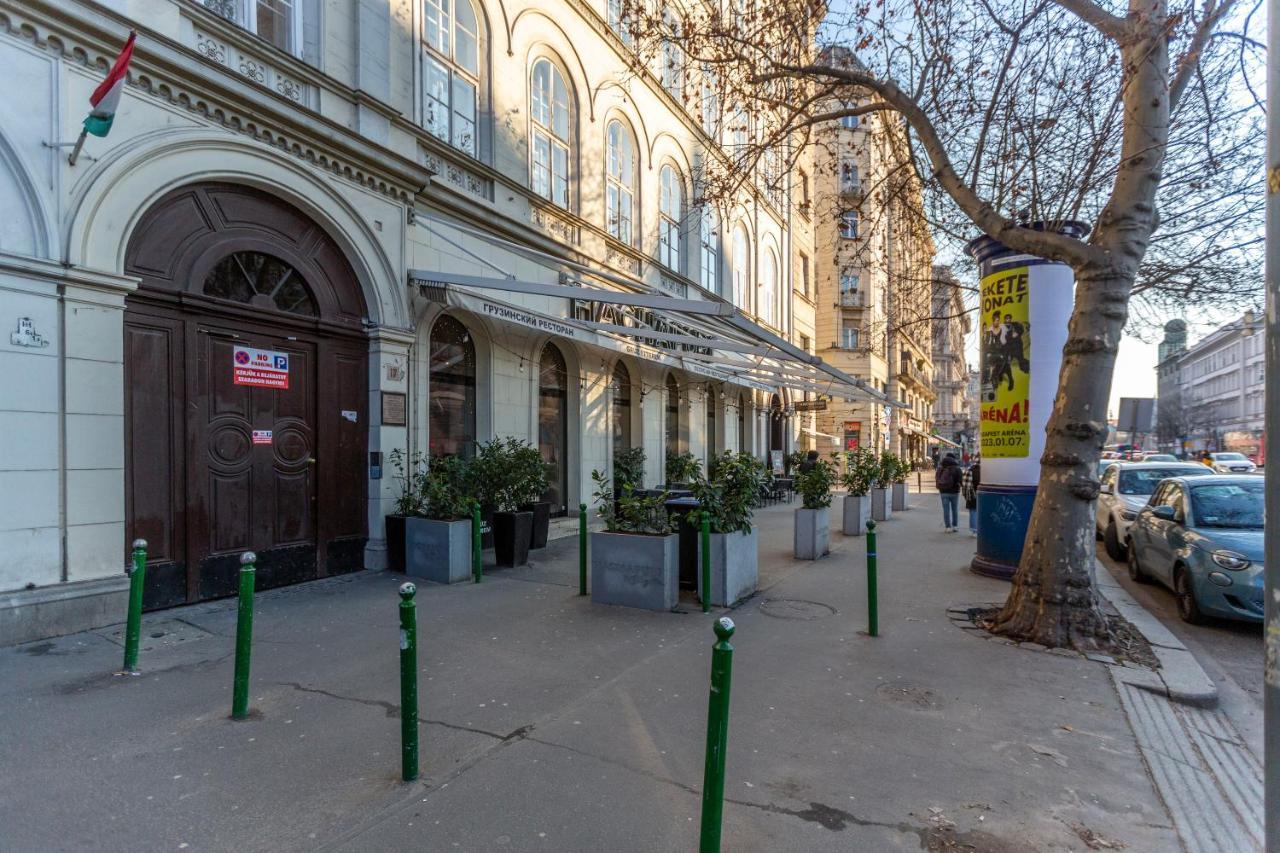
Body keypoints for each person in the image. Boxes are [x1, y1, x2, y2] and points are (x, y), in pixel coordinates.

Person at [935, 453, 962, 532]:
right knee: (954, 509)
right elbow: (960, 480)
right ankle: (955, 526)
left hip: (943, 492)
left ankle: (948, 527)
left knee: (946, 510)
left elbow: (937, 479)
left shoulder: (940, 468)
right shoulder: (957, 468)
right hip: (954, 492)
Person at [962, 457, 981, 537]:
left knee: (973, 511)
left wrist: (966, 496)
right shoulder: (986, 471)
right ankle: (981, 529)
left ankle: (974, 530)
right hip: (983, 493)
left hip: (972, 494)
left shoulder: (970, 469)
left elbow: (965, 485)